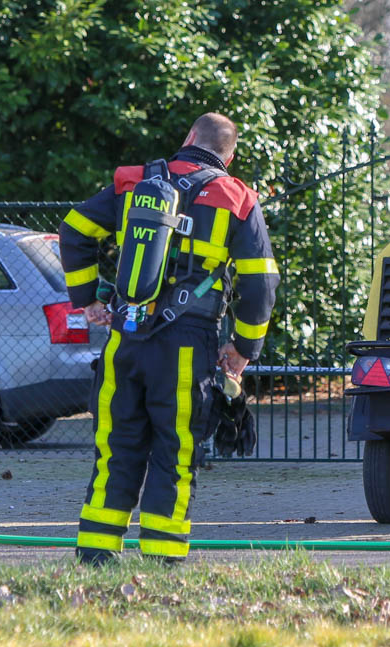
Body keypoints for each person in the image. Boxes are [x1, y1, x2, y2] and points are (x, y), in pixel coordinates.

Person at [59, 113, 277, 563]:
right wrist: (243, 348)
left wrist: (88, 299)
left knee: (116, 449)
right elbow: (260, 284)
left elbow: (74, 229)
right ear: (229, 156)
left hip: (125, 338)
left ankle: (96, 557)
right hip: (186, 345)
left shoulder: (135, 183)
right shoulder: (237, 199)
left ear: (189, 138)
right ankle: (161, 560)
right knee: (174, 452)